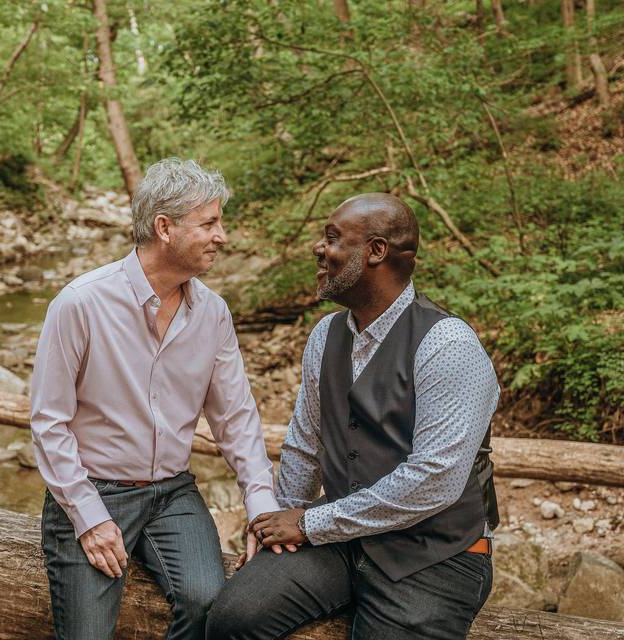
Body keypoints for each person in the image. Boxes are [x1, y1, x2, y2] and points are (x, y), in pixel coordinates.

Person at [206, 193, 501, 640]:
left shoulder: (448, 345)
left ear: (376, 252)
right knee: (232, 619)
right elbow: (306, 446)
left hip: (435, 553)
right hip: (342, 539)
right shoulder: (325, 335)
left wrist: (309, 523)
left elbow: (434, 479)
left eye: (332, 238)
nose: (318, 249)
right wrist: (279, 528)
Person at [30, 158, 281, 640]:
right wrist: (87, 518)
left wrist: (261, 504)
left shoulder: (213, 312)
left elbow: (236, 418)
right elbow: (48, 423)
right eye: (209, 223)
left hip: (172, 493)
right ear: (164, 228)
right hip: (93, 487)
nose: (222, 236)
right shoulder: (81, 303)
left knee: (208, 602)